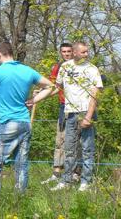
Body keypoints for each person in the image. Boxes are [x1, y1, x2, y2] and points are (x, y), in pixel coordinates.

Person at [0, 43, 53, 194]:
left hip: (8, 123)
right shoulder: (27, 70)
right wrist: (34, 100)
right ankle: (19, 199)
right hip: (25, 123)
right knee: (21, 165)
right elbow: (50, 86)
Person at [29, 41, 103, 192]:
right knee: (69, 149)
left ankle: (85, 182)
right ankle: (66, 181)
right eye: (83, 52)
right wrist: (36, 99)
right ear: (75, 53)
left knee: (87, 150)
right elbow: (57, 88)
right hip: (69, 113)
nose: (86, 54)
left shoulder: (91, 69)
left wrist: (88, 116)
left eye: (87, 52)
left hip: (85, 113)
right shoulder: (65, 67)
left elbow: (95, 94)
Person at [40, 43, 81, 185]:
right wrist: (40, 94)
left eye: (69, 51)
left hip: (78, 107)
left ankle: (76, 173)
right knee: (60, 140)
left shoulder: (80, 66)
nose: (67, 54)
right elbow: (52, 86)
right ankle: (56, 173)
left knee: (76, 142)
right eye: (64, 51)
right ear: (60, 53)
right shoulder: (57, 67)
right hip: (63, 106)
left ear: (73, 52)